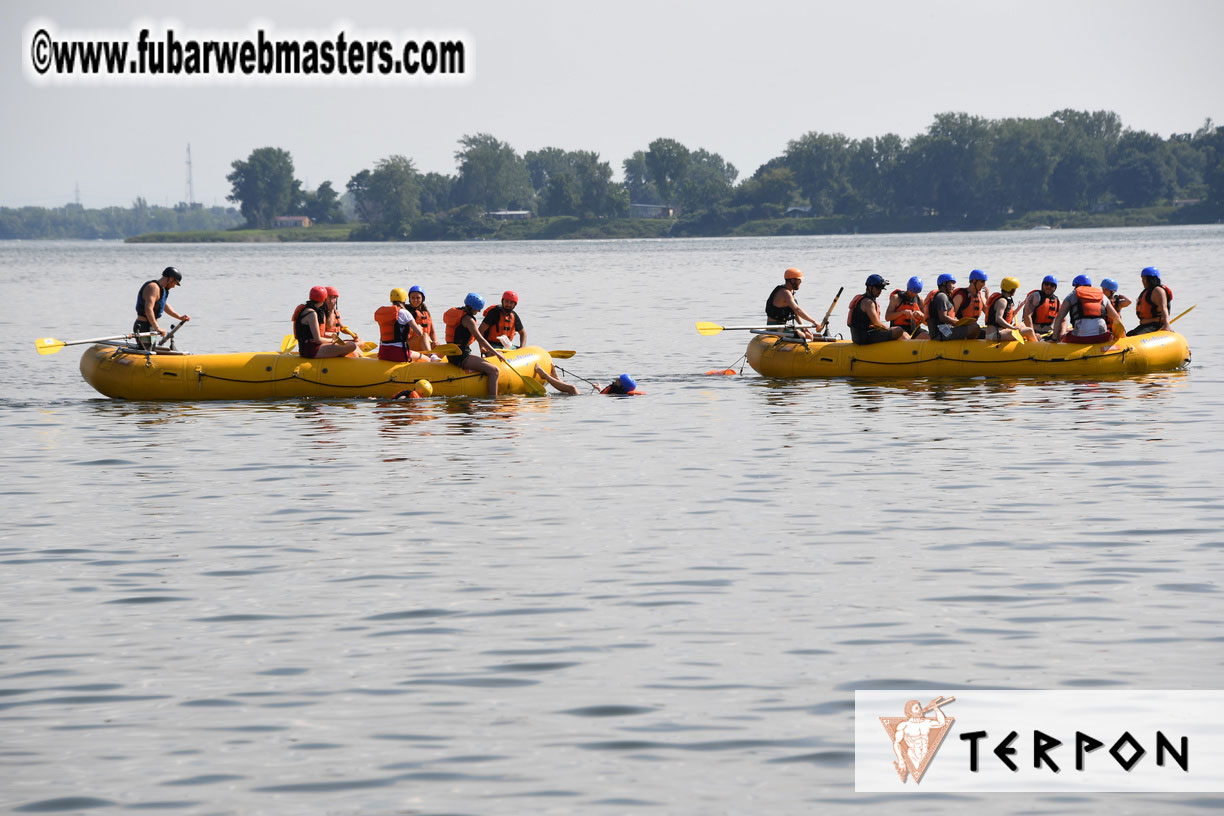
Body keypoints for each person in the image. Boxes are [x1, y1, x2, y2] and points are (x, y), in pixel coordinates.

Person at [443, 293, 511, 397]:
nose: (479, 311)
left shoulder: (458, 313)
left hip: (453, 354)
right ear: (473, 307)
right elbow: (481, 339)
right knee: (494, 371)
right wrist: (496, 353)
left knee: (487, 365)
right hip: (461, 357)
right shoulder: (469, 320)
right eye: (478, 309)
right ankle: (493, 401)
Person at [1051, 274, 1122, 344]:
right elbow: (1116, 317)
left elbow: (1059, 318)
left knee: (1064, 337)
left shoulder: (1072, 295)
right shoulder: (1102, 295)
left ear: (1077, 286)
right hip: (1102, 337)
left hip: (1080, 338)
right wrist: (1122, 337)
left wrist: (1054, 339)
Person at [294, 286, 359, 359]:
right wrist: (332, 340)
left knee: (350, 345)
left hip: (308, 349)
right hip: (312, 351)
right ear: (324, 299)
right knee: (352, 345)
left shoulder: (307, 310)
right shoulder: (312, 314)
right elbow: (318, 340)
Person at [134, 266, 190, 349]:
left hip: (151, 328)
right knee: (148, 353)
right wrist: (157, 328)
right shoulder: (153, 287)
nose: (174, 286)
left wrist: (179, 317)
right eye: (175, 283)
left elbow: (164, 305)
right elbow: (148, 309)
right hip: (143, 327)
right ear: (170, 279)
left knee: (151, 350)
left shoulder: (162, 290)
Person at [375, 288, 434, 362]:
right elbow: (420, 333)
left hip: (383, 353)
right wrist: (419, 327)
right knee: (427, 359)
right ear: (405, 299)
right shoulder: (404, 313)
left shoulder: (384, 313)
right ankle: (432, 358)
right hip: (400, 353)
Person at [765, 268, 824, 339]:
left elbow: (795, 314)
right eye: (799, 280)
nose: (801, 282)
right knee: (804, 336)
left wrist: (803, 328)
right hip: (775, 328)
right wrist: (814, 322)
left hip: (783, 326)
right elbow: (797, 309)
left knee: (810, 335)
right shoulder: (785, 293)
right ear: (792, 280)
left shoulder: (790, 292)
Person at [847, 274, 906, 344]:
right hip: (865, 338)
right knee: (898, 330)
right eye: (878, 288)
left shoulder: (861, 298)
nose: (880, 291)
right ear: (869, 287)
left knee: (895, 330)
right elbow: (877, 324)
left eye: (881, 288)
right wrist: (889, 330)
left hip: (857, 337)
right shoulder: (868, 303)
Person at [927, 273, 980, 341]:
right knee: (975, 327)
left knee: (973, 325)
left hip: (945, 330)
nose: (954, 286)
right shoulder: (941, 297)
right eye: (952, 283)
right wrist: (957, 322)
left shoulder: (946, 297)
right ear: (944, 283)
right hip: (940, 333)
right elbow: (943, 317)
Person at [983, 277, 1037, 342]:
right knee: (1029, 330)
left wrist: (1020, 306)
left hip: (1000, 331)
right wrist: (1013, 328)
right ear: (1011, 289)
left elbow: (1008, 316)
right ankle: (1037, 347)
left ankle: (1028, 342)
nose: (1015, 290)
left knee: (1022, 324)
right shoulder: (1002, 301)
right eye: (1015, 289)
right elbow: (998, 319)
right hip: (994, 334)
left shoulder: (1003, 299)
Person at [1128, 266, 1173, 336]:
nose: (1142, 281)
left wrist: (1166, 325)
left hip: (1155, 325)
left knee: (1134, 335)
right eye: (1142, 279)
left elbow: (1164, 308)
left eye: (1144, 279)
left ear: (1151, 279)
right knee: (1128, 334)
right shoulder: (1147, 291)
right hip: (1146, 326)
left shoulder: (1158, 291)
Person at [405, 285, 439, 355]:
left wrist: (435, 341)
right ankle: (431, 356)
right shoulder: (406, 311)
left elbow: (432, 332)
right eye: (413, 298)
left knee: (437, 345)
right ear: (409, 298)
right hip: (409, 345)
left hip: (423, 344)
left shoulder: (426, 312)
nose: (415, 300)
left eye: (418, 298)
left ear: (422, 298)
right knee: (424, 335)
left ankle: (436, 359)